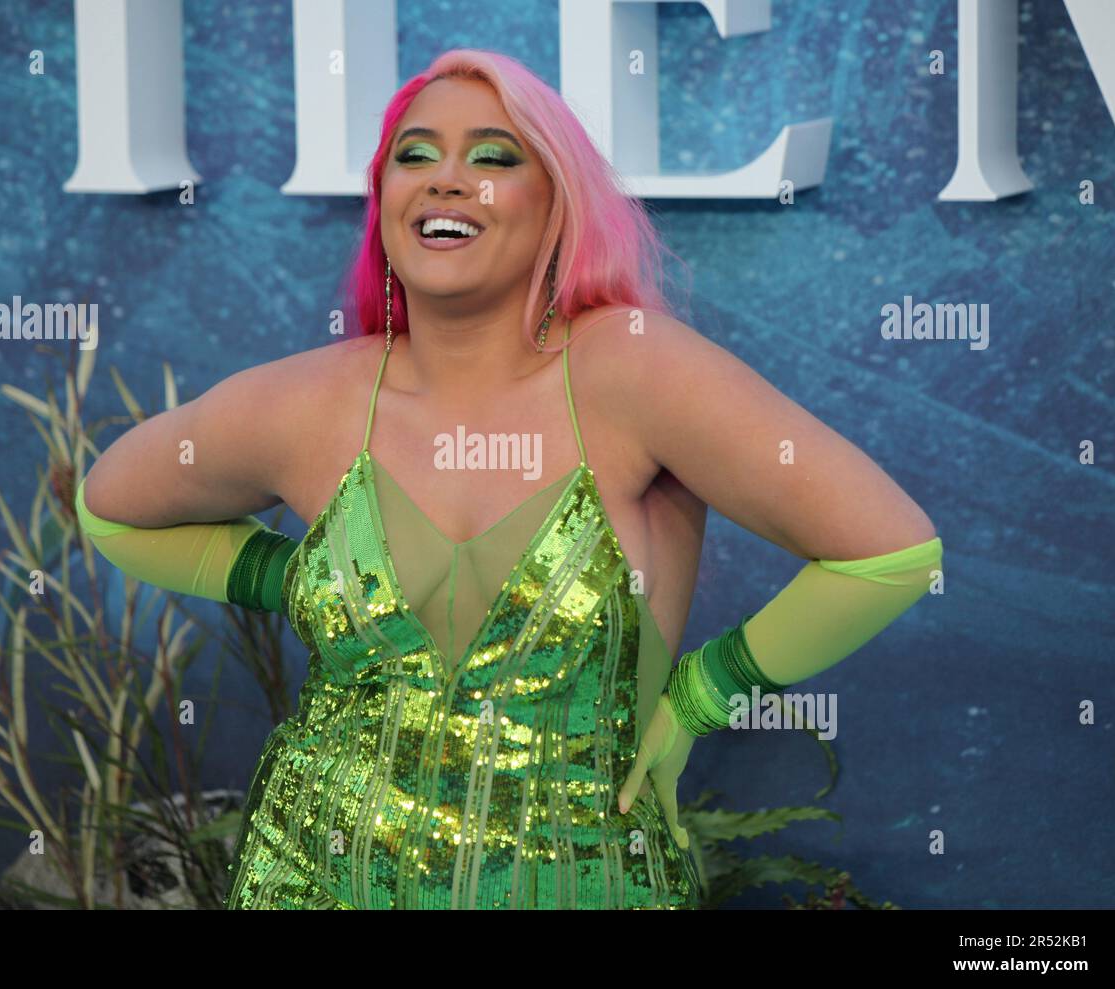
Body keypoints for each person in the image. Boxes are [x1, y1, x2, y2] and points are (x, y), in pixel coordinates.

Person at [76, 49, 942, 910]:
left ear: (558, 203)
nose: (448, 180)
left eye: (494, 158)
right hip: (310, 877)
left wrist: (697, 698)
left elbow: (888, 550)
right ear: (385, 203)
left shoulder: (632, 372)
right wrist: (285, 574)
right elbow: (111, 509)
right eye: (416, 156)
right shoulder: (316, 399)